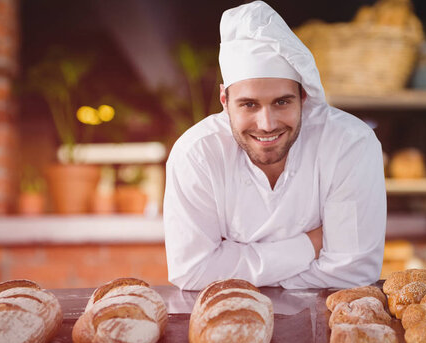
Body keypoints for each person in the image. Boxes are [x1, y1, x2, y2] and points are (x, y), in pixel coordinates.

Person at [163, 1, 386, 290]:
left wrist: (230, 264)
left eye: (282, 102)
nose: (266, 123)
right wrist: (310, 244)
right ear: (224, 101)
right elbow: (191, 272)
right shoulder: (196, 155)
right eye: (249, 104)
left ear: (303, 97)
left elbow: (352, 273)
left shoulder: (349, 144)